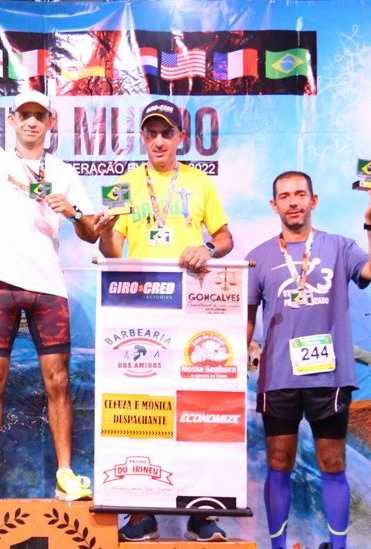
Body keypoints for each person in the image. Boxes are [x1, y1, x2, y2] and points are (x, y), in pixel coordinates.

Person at [0, 44, 98, 502]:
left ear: (50, 123)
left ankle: (65, 474)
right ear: (12, 121)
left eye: (39, 116)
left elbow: (91, 233)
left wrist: (74, 213)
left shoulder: (65, 173)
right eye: (24, 115)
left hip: (48, 286)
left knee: (59, 381)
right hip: (0, 282)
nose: (31, 122)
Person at [94, 99, 233, 542]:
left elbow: (225, 239)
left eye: (166, 133)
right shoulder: (122, 184)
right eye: (151, 133)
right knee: (138, 409)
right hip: (138, 308)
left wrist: (206, 249)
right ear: (142, 137)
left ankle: (201, 512)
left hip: (191, 307)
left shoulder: (200, 181)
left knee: (198, 409)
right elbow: (112, 251)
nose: (158, 141)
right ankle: (141, 512)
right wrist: (104, 232)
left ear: (180, 138)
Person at [247, 171, 371, 549]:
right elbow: (246, 320)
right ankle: (278, 546)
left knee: (332, 464)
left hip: (328, 377)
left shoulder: (340, 246)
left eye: (300, 194)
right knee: (279, 463)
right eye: (285, 196)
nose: (293, 202)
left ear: (313, 201)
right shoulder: (258, 257)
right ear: (274, 205)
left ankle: (339, 546)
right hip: (278, 378)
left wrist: (370, 224)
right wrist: (240, 353)